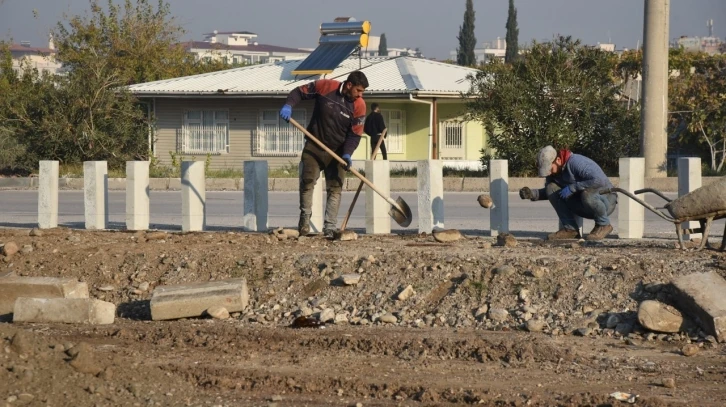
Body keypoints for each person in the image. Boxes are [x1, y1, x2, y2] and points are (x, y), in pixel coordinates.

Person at [279, 71, 369, 237]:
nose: (360, 95)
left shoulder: (359, 105)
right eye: (359, 90)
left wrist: (347, 154)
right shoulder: (325, 86)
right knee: (307, 182)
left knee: (335, 189)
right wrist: (289, 105)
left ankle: (330, 227)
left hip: (337, 153)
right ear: (349, 85)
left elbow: (355, 135)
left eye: (362, 92)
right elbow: (298, 92)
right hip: (314, 146)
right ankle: (304, 222)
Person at [519, 145, 617, 241]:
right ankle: (570, 229)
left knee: (586, 193)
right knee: (551, 187)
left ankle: (603, 224)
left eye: (550, 169)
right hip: (584, 203)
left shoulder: (577, 162)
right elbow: (552, 193)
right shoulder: (554, 173)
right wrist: (533, 194)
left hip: (606, 200)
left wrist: (573, 187)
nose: (549, 173)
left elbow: (599, 181)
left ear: (558, 160)